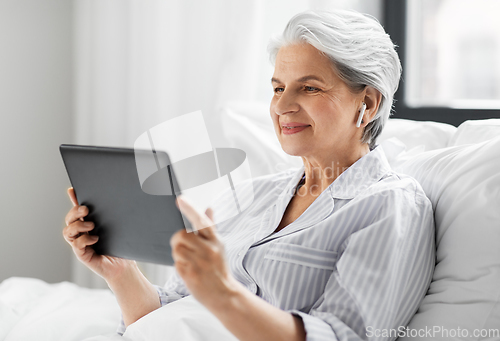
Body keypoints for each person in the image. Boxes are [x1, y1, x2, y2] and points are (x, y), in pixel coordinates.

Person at [63, 9, 435, 341]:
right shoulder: (247, 197)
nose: (283, 106)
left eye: (309, 87)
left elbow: (343, 336)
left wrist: (223, 293)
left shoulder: (391, 206)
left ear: (367, 103)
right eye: (277, 88)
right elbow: (166, 316)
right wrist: (120, 271)